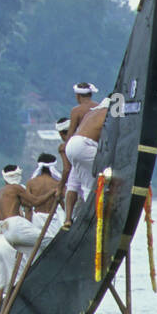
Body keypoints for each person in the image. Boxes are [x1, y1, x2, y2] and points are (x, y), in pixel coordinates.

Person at [0, 165, 46, 305]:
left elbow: (24, 204)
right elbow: (35, 202)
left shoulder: (2, 192)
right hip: (11, 234)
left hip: (1, 238)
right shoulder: (17, 188)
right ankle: (20, 305)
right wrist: (53, 192)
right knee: (48, 241)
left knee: (0, 284)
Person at [64, 96, 110, 227]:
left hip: (72, 145)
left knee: (73, 184)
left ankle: (68, 219)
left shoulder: (92, 112)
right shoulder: (110, 114)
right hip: (84, 146)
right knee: (92, 184)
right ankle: (91, 219)